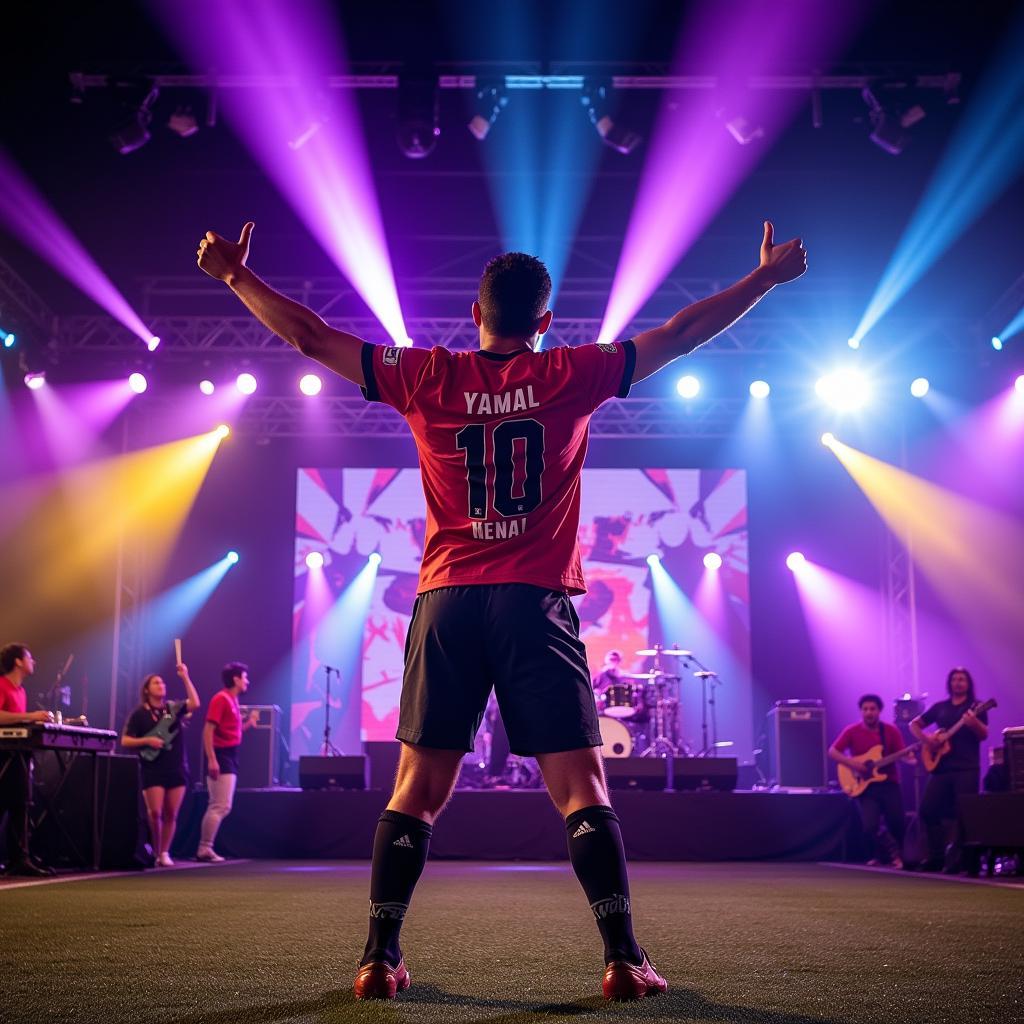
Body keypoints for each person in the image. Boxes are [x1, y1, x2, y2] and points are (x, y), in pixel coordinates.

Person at [198, 218, 806, 1000]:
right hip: (534, 600)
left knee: (415, 786)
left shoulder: (427, 374)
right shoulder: (572, 373)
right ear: (545, 323)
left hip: (447, 598)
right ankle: (623, 958)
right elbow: (683, 332)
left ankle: (378, 960)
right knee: (583, 788)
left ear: (472, 311)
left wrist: (235, 278)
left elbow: (312, 337)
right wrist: (759, 280)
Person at [121, 662, 201, 867]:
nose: (161, 685)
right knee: (155, 812)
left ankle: (164, 852)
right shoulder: (139, 714)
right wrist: (147, 741)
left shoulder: (172, 709)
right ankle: (156, 850)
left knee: (171, 813)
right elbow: (125, 741)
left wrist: (185, 676)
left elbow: (195, 703)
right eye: (156, 683)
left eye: (163, 682)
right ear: (146, 690)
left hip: (176, 767)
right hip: (152, 767)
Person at [910, 667, 989, 872]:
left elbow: (984, 735)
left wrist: (973, 724)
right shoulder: (940, 707)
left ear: (968, 683)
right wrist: (928, 740)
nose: (958, 682)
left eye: (962, 679)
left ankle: (959, 861)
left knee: (964, 814)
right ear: (949, 683)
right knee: (927, 810)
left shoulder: (977, 706)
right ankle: (936, 857)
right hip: (941, 769)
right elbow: (914, 724)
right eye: (954, 679)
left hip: (966, 768)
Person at [829, 694, 910, 869]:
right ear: (861, 711)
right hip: (865, 786)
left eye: (872, 709)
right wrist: (854, 764)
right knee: (870, 825)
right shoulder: (852, 731)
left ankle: (897, 856)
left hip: (889, 783)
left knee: (897, 821)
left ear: (879, 711)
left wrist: (909, 757)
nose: (869, 713)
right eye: (865, 709)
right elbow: (833, 752)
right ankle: (878, 855)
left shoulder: (890, 731)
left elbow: (902, 754)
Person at [0, 643, 54, 876]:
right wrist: (31, 716)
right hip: (2, 755)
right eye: (30, 657)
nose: (34, 662)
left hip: (18, 754)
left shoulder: (21, 691)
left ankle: (19, 858)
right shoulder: (2, 684)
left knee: (21, 803)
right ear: (18, 662)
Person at [197, 661, 257, 862]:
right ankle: (204, 848)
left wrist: (249, 723)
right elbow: (208, 731)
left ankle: (205, 847)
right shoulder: (221, 699)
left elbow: (233, 733)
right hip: (221, 754)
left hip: (230, 754)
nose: (247, 681)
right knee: (219, 805)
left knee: (223, 805)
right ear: (236, 679)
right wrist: (212, 760)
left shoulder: (233, 700)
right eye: (244, 677)